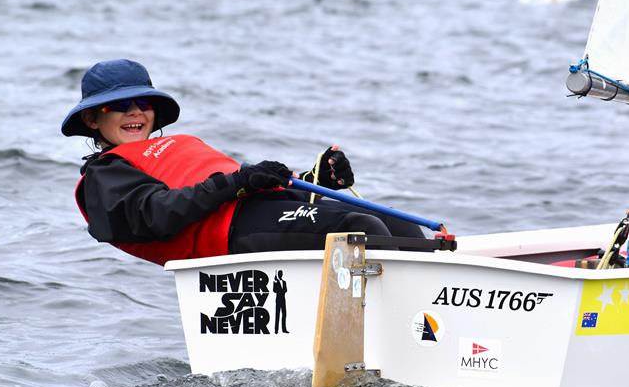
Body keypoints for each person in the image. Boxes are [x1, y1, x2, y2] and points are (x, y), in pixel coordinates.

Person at [63, 59, 426, 266]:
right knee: (357, 226)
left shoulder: (180, 145)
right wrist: (238, 182)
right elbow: (154, 215)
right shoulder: (104, 173)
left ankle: (429, 319)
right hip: (228, 237)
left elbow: (241, 187)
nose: (135, 112)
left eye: (143, 103)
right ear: (93, 120)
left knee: (398, 224)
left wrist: (316, 180)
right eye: (118, 106)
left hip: (256, 212)